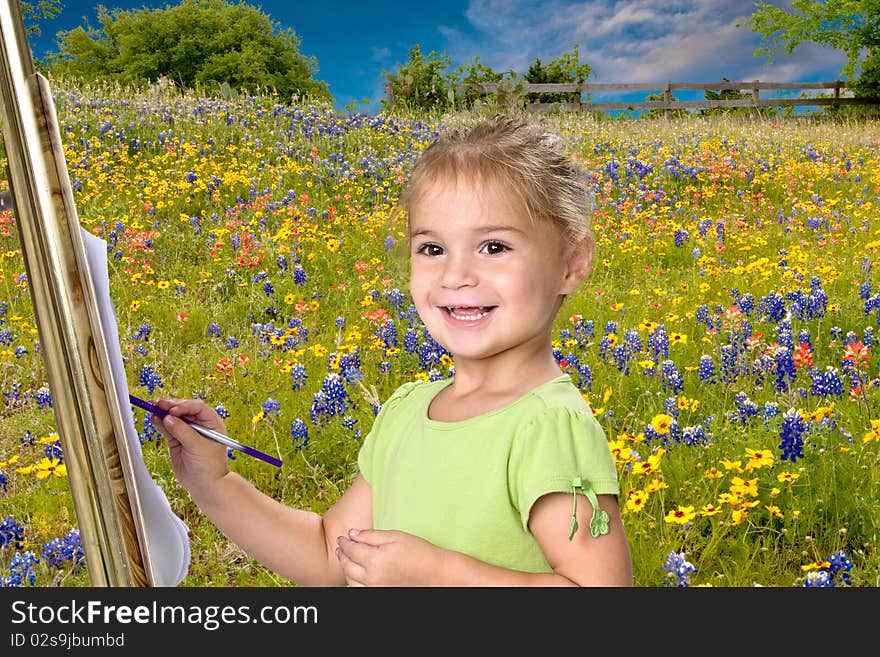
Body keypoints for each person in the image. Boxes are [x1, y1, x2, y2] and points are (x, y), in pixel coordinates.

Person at [152, 114, 633, 586]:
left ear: (572, 262)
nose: (455, 275)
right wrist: (212, 483)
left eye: (493, 247)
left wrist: (440, 577)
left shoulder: (548, 428)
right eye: (432, 249)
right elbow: (328, 555)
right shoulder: (406, 412)